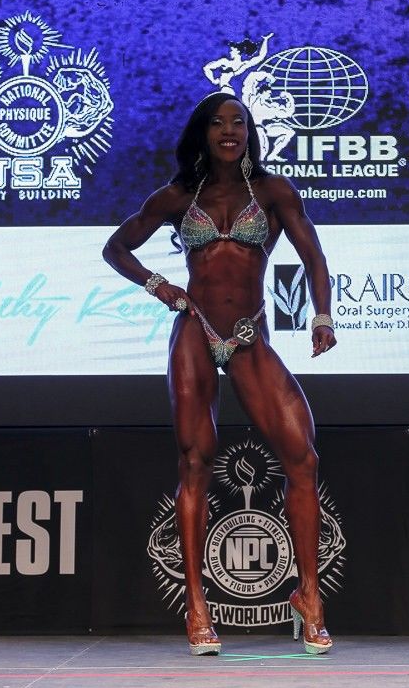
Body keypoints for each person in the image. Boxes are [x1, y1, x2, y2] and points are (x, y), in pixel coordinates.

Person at [102, 92, 337, 656]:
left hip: (249, 332)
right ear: (203, 134)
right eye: (218, 123)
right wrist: (159, 286)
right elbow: (116, 248)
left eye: (239, 122)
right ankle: (197, 605)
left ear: (249, 133)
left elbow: (314, 257)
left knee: (302, 458)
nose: (229, 131)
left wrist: (322, 315)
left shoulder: (274, 192)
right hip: (196, 327)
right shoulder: (180, 195)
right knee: (195, 461)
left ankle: (308, 595)